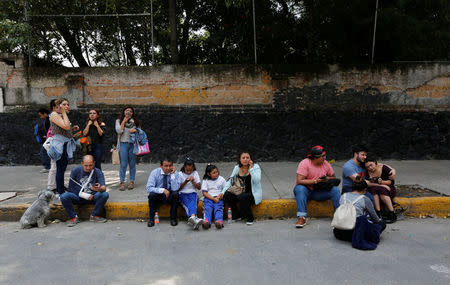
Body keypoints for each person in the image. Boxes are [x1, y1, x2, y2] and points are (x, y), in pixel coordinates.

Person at [293, 145, 341, 228]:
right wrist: (315, 181)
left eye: (325, 155)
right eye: (323, 156)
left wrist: (326, 179)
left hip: (319, 191)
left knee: (335, 190)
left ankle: (339, 216)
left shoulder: (326, 164)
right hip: (306, 191)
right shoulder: (304, 163)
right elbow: (299, 180)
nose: (325, 158)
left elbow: (334, 177)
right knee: (299, 189)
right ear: (315, 157)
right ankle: (302, 217)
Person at [333, 176, 386, 249]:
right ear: (364, 190)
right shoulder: (365, 199)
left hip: (339, 233)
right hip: (355, 233)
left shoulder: (343, 196)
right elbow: (375, 218)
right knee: (381, 224)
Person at [60, 155, 109, 227]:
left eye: (90, 165)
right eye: (86, 165)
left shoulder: (97, 171)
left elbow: (104, 188)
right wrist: (85, 195)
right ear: (82, 163)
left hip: (92, 197)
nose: (88, 168)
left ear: (94, 163)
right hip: (78, 197)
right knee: (63, 196)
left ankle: (94, 215)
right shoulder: (75, 171)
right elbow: (71, 188)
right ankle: (73, 217)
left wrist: (99, 189)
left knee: (105, 194)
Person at [222, 151, 262, 225]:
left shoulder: (255, 167)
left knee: (242, 197)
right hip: (240, 191)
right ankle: (236, 215)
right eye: (243, 158)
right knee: (227, 194)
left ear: (250, 159)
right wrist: (222, 192)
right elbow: (230, 180)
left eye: (247, 158)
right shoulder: (237, 167)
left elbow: (257, 181)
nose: (245, 159)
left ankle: (250, 217)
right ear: (240, 159)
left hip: (252, 193)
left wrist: (251, 169)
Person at [48, 98, 78, 195]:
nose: (67, 106)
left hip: (65, 144)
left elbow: (64, 129)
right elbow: (66, 127)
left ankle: (60, 187)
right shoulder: (54, 114)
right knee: (59, 169)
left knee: (62, 168)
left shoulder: (60, 115)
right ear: (59, 106)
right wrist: (64, 113)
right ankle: (59, 192)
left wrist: (72, 129)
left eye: (68, 104)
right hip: (59, 146)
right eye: (64, 104)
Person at [146, 158, 180, 227]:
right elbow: (149, 188)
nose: (168, 168)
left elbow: (175, 188)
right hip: (158, 195)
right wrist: (162, 190)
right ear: (161, 166)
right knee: (152, 195)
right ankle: (151, 219)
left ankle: (173, 218)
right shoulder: (155, 173)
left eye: (170, 166)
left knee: (176, 194)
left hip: (169, 195)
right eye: (166, 166)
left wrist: (172, 175)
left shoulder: (175, 173)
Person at [365, 155, 397, 223]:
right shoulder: (367, 172)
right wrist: (381, 185)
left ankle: (392, 214)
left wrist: (382, 182)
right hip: (375, 189)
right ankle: (378, 214)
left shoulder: (384, 168)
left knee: (381, 190)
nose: (370, 168)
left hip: (388, 188)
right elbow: (367, 183)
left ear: (375, 162)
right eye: (368, 167)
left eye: (371, 165)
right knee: (374, 190)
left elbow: (391, 182)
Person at [115, 106, 140, 191]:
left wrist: (136, 131)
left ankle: (131, 181)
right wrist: (124, 120)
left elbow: (140, 133)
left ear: (132, 113)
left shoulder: (135, 122)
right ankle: (122, 182)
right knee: (123, 164)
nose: (128, 112)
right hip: (123, 144)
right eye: (127, 111)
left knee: (132, 164)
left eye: (130, 111)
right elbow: (119, 131)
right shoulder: (118, 121)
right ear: (124, 112)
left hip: (132, 145)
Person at [178, 158, 203, 230]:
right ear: (184, 167)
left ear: (193, 168)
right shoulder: (180, 174)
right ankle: (195, 219)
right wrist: (185, 182)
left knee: (192, 202)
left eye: (190, 170)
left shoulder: (195, 173)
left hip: (192, 193)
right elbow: (178, 188)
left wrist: (193, 182)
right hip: (182, 194)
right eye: (187, 170)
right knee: (188, 205)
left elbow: (199, 187)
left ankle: (193, 219)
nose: (189, 172)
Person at [202, 164, 226, 229]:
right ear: (209, 174)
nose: (216, 174)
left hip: (218, 198)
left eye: (217, 172)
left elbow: (225, 189)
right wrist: (213, 199)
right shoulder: (205, 180)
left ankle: (219, 221)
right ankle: (206, 222)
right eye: (214, 173)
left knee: (218, 208)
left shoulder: (221, 179)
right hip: (209, 198)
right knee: (207, 208)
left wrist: (220, 196)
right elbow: (204, 193)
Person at [46, 100, 58, 192]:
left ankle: (56, 185)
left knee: (56, 166)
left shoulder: (54, 116)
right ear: (54, 107)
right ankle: (51, 186)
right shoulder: (53, 116)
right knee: (54, 166)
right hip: (54, 143)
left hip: (55, 142)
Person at [36, 108, 51, 173]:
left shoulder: (50, 119)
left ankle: (47, 167)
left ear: (45, 113)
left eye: (41, 115)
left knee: (43, 152)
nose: (40, 117)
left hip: (51, 138)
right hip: (49, 138)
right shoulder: (48, 119)